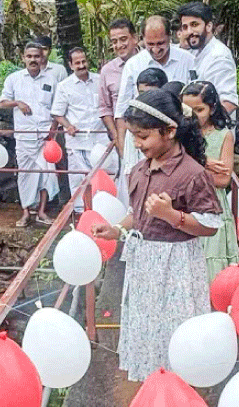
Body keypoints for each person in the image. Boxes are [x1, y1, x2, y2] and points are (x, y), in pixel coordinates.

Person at [93, 88, 222, 384]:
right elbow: (137, 215)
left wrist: (171, 215)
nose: (137, 144)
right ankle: (152, 403)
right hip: (144, 266)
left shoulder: (192, 173)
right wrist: (117, 230)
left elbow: (210, 223)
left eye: (143, 136)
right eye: (134, 136)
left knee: (174, 332)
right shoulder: (139, 170)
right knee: (146, 332)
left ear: (170, 131)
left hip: (176, 266)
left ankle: (177, 401)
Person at [116, 15, 194, 181]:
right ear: (142, 40)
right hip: (142, 147)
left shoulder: (188, 61)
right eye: (150, 44)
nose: (156, 49)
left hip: (178, 145)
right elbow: (122, 111)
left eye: (161, 44)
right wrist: (125, 153)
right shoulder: (133, 65)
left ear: (170, 38)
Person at [182, 81, 239, 280]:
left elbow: (223, 179)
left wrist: (192, 172)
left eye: (200, 109)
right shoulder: (182, 135)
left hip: (212, 202)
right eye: (189, 110)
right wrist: (204, 165)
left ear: (212, 107)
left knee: (212, 263)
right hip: (186, 203)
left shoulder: (223, 135)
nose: (195, 115)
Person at [0, 42, 60, 227]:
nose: (33, 60)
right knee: (25, 175)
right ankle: (25, 212)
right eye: (29, 56)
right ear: (23, 58)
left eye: (37, 56)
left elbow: (58, 108)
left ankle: (41, 211)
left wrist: (53, 130)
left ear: (43, 58)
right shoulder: (14, 79)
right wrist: (18, 103)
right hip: (24, 136)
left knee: (45, 174)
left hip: (45, 136)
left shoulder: (51, 80)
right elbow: (2, 103)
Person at [51, 47, 115, 213]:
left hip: (100, 140)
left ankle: (105, 210)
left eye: (83, 61)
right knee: (80, 179)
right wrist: (68, 126)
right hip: (78, 142)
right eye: (77, 63)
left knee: (106, 174)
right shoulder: (64, 86)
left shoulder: (100, 80)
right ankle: (82, 214)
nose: (81, 65)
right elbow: (57, 113)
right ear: (70, 65)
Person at [176, 2, 239, 115]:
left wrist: (208, 126)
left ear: (209, 26)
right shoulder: (194, 52)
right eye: (185, 27)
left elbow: (229, 103)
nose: (189, 31)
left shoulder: (219, 56)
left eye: (194, 24)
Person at [98, 18, 138, 187]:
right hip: (124, 137)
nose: (119, 45)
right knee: (128, 181)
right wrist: (117, 138)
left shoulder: (148, 61)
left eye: (123, 39)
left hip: (153, 134)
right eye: (114, 41)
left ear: (134, 38)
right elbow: (105, 108)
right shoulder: (107, 71)